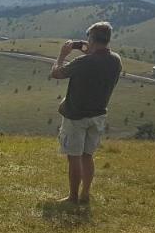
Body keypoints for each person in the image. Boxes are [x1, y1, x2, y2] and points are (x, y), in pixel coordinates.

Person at [49, 21, 123, 206]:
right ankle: (85, 194)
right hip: (98, 115)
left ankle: (72, 197)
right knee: (87, 156)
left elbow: (57, 73)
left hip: (76, 115)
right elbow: (98, 66)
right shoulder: (115, 60)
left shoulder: (83, 62)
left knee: (74, 156)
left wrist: (62, 55)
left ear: (91, 38)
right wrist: (90, 52)